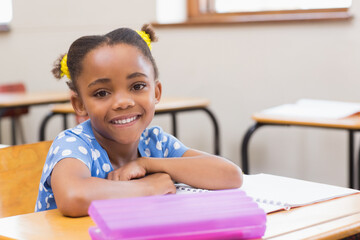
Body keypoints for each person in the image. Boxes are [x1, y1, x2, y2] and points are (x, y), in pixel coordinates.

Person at [36, 24, 243, 217]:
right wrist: (148, 187)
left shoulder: (155, 143)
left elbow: (230, 175)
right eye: (101, 93)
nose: (123, 102)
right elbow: (73, 196)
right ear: (79, 104)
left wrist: (147, 164)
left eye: (137, 86)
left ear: (157, 92)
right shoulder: (74, 144)